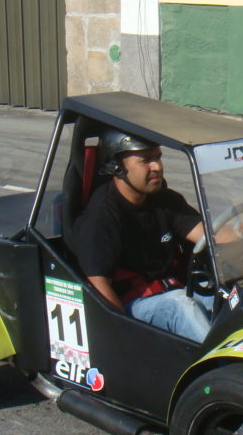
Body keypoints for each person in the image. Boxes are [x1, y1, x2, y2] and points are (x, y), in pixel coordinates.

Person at [71, 129, 215, 342]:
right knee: (180, 306)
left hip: (175, 290)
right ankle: (223, 370)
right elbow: (98, 286)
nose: (157, 167)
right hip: (132, 307)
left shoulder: (165, 200)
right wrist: (126, 336)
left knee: (230, 296)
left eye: (157, 157)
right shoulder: (101, 216)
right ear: (117, 167)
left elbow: (210, 238)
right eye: (145, 160)